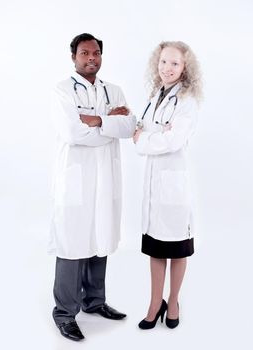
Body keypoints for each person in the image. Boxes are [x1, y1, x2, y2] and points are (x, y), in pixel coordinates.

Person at [49, 33, 136, 341]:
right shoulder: (63, 90)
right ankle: (64, 313)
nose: (91, 58)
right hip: (77, 180)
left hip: (106, 179)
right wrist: (108, 121)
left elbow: (129, 126)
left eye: (96, 52)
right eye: (84, 53)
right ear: (74, 56)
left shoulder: (114, 90)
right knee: (73, 244)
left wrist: (95, 120)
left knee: (101, 238)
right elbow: (72, 132)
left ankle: (94, 302)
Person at [133, 41, 202, 330]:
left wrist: (145, 139)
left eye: (174, 63)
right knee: (156, 248)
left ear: (185, 68)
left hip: (173, 185)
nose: (167, 68)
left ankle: (173, 301)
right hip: (154, 183)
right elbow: (149, 131)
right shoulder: (155, 96)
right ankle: (154, 303)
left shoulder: (187, 102)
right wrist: (151, 134)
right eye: (163, 62)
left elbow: (173, 141)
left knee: (177, 248)